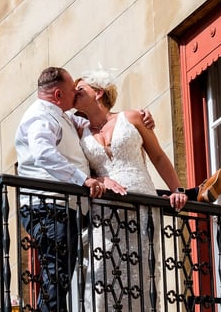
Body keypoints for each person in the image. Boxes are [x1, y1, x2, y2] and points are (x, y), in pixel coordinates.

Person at [73, 69, 221, 308]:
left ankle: (192, 193)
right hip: (104, 211)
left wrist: (177, 190)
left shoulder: (132, 118)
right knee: (102, 274)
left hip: (141, 201)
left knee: (141, 269)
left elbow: (157, 155)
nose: (75, 93)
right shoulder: (79, 132)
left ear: (98, 93)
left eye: (80, 89)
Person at [15, 67, 149, 312]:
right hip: (47, 206)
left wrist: (140, 117)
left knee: (63, 269)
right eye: (71, 92)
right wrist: (83, 180)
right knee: (57, 268)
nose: (74, 96)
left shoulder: (63, 116)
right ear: (58, 95)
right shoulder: (40, 117)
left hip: (64, 206)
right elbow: (43, 153)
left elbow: (94, 122)